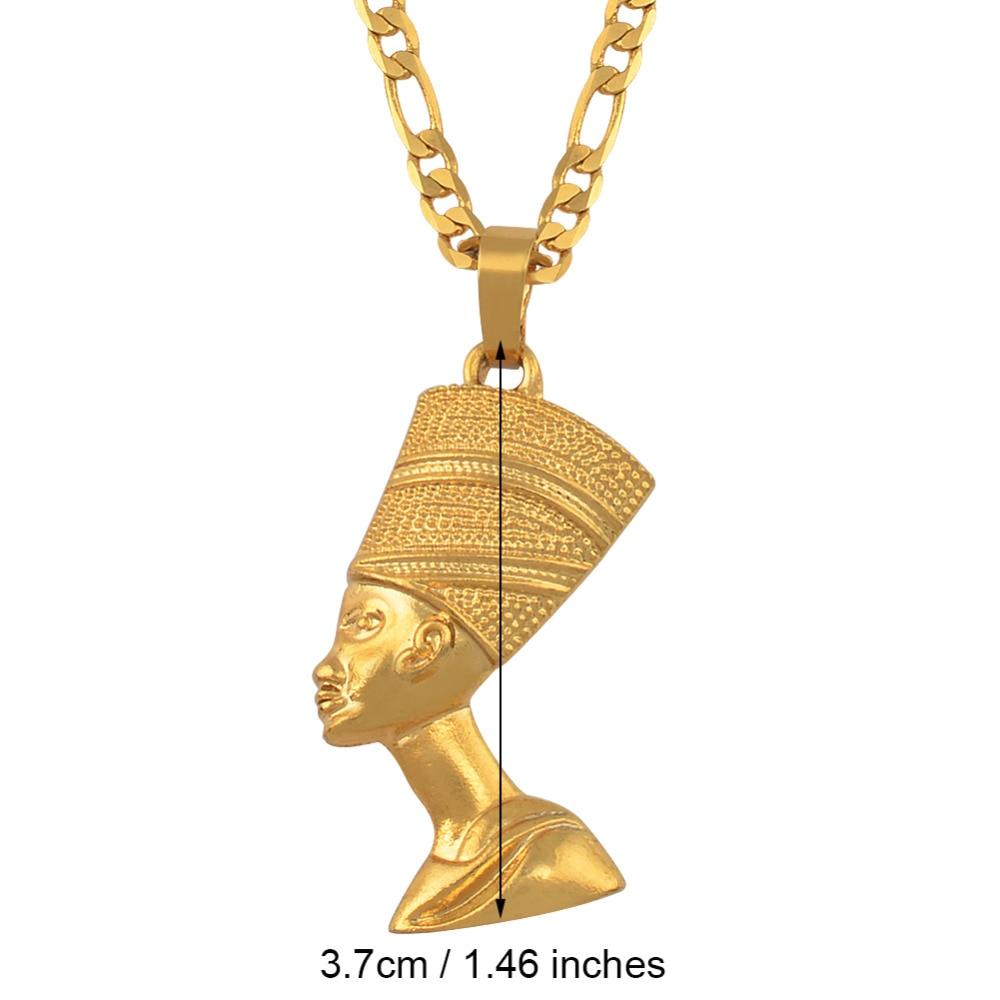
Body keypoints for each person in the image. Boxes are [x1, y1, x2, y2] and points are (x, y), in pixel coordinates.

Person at [313, 381, 653, 931]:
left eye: (363, 625)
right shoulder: (467, 851)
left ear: (427, 647)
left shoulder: (548, 852)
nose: (325, 667)